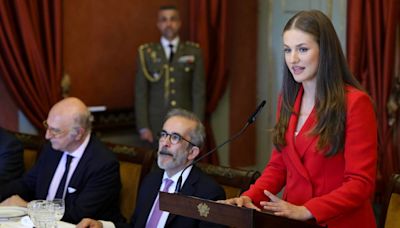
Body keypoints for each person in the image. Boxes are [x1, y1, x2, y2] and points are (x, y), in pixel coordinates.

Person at [220, 10, 378, 228]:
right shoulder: (287, 98)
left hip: (339, 221)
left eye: (302, 49)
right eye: (287, 50)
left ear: (325, 51)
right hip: (292, 221)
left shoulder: (355, 103)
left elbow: (360, 183)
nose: (292, 59)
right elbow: (278, 167)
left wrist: (308, 209)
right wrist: (250, 197)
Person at [77, 108, 225, 228]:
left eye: (175, 138)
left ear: (192, 152)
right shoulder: (152, 180)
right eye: (164, 135)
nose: (165, 143)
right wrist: (102, 226)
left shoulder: (209, 194)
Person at [0, 97, 123, 224]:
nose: (47, 135)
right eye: (47, 126)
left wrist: (28, 207)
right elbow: (26, 184)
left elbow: (79, 214)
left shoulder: (103, 164)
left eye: (55, 131)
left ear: (78, 133)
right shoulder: (52, 149)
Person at [135, 5, 206, 145]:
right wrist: (143, 126)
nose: (169, 24)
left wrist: (197, 125)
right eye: (164, 20)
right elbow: (140, 92)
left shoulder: (193, 51)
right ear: (158, 24)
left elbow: (199, 92)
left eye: (173, 19)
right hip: (156, 124)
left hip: (185, 124)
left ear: (179, 23)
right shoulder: (146, 53)